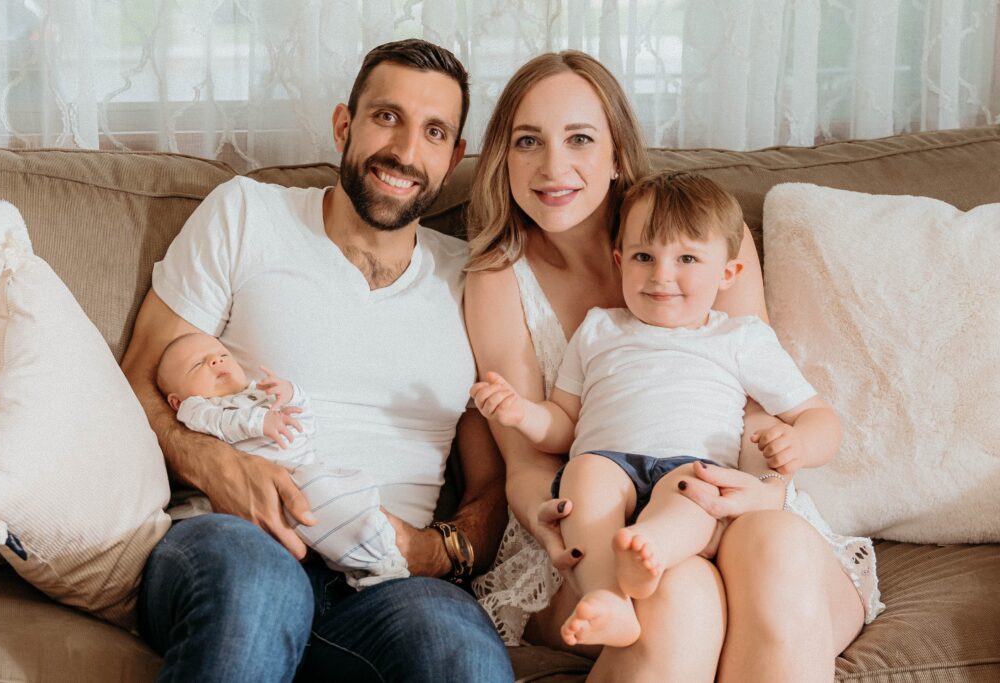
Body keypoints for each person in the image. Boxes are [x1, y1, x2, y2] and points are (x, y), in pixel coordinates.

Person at [464, 51, 884, 682]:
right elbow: (530, 459)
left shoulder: (706, 235)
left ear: (617, 155)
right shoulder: (499, 278)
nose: (554, 166)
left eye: (580, 138)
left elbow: (760, 407)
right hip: (594, 523)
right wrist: (547, 520)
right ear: (503, 155)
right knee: (680, 594)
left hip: (717, 487)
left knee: (776, 549)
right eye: (529, 141)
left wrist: (765, 490)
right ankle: (624, 591)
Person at [121, 39, 512, 682]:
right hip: (233, 543)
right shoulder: (247, 212)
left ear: (454, 157)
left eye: (434, 131)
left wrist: (435, 551)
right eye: (386, 116)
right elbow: (136, 379)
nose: (406, 152)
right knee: (255, 591)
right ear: (344, 124)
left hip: (385, 581)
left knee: (461, 658)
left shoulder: (474, 280)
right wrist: (212, 461)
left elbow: (494, 486)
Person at [472, 171, 844, 648]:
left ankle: (652, 549)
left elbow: (821, 419)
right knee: (582, 474)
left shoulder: (739, 338)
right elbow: (563, 426)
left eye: (686, 258)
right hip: (609, 467)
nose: (661, 275)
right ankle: (610, 600)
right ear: (619, 260)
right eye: (644, 257)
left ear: (728, 274)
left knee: (690, 492)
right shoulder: (598, 330)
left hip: (694, 472)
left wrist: (798, 443)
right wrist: (521, 413)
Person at [156, 332, 408, 588]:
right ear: (176, 401)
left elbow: (305, 427)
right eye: (198, 364)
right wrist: (259, 422)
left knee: (337, 495)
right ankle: (374, 560)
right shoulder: (197, 409)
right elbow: (221, 423)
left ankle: (374, 557)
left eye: (223, 355)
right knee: (319, 501)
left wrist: (290, 394)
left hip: (304, 470)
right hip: (269, 493)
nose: (215, 361)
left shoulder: (259, 393)